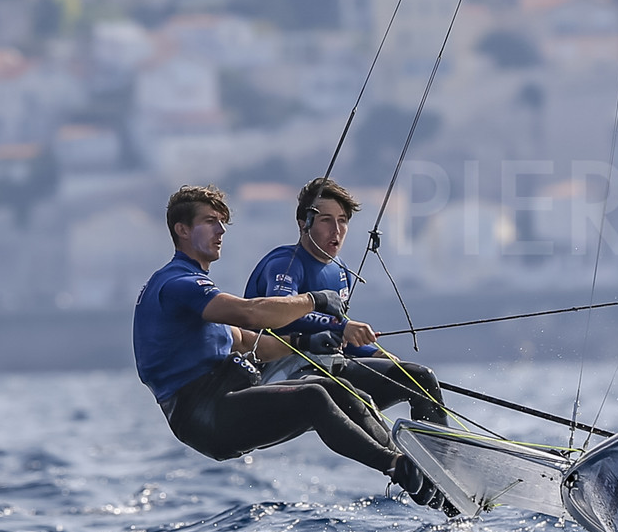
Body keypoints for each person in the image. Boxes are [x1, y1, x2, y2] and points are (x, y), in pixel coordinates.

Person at [132, 184, 443, 509]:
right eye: (210, 221)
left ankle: (421, 473)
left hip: (226, 399)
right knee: (314, 396)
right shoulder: (177, 284)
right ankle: (397, 467)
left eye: (223, 221)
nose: (221, 230)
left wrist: (303, 342)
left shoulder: (197, 287)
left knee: (339, 389)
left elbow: (247, 342)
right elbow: (251, 314)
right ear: (182, 230)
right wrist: (314, 300)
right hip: (202, 414)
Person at [243, 176, 449, 427]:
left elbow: (336, 337)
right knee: (362, 404)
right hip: (275, 373)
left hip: (324, 368)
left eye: (342, 221)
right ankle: (395, 460)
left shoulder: (341, 271)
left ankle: (444, 455)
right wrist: (342, 327)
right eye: (326, 220)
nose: (336, 230)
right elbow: (281, 315)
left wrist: (376, 353)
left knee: (418, 378)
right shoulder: (284, 264)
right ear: (303, 224)